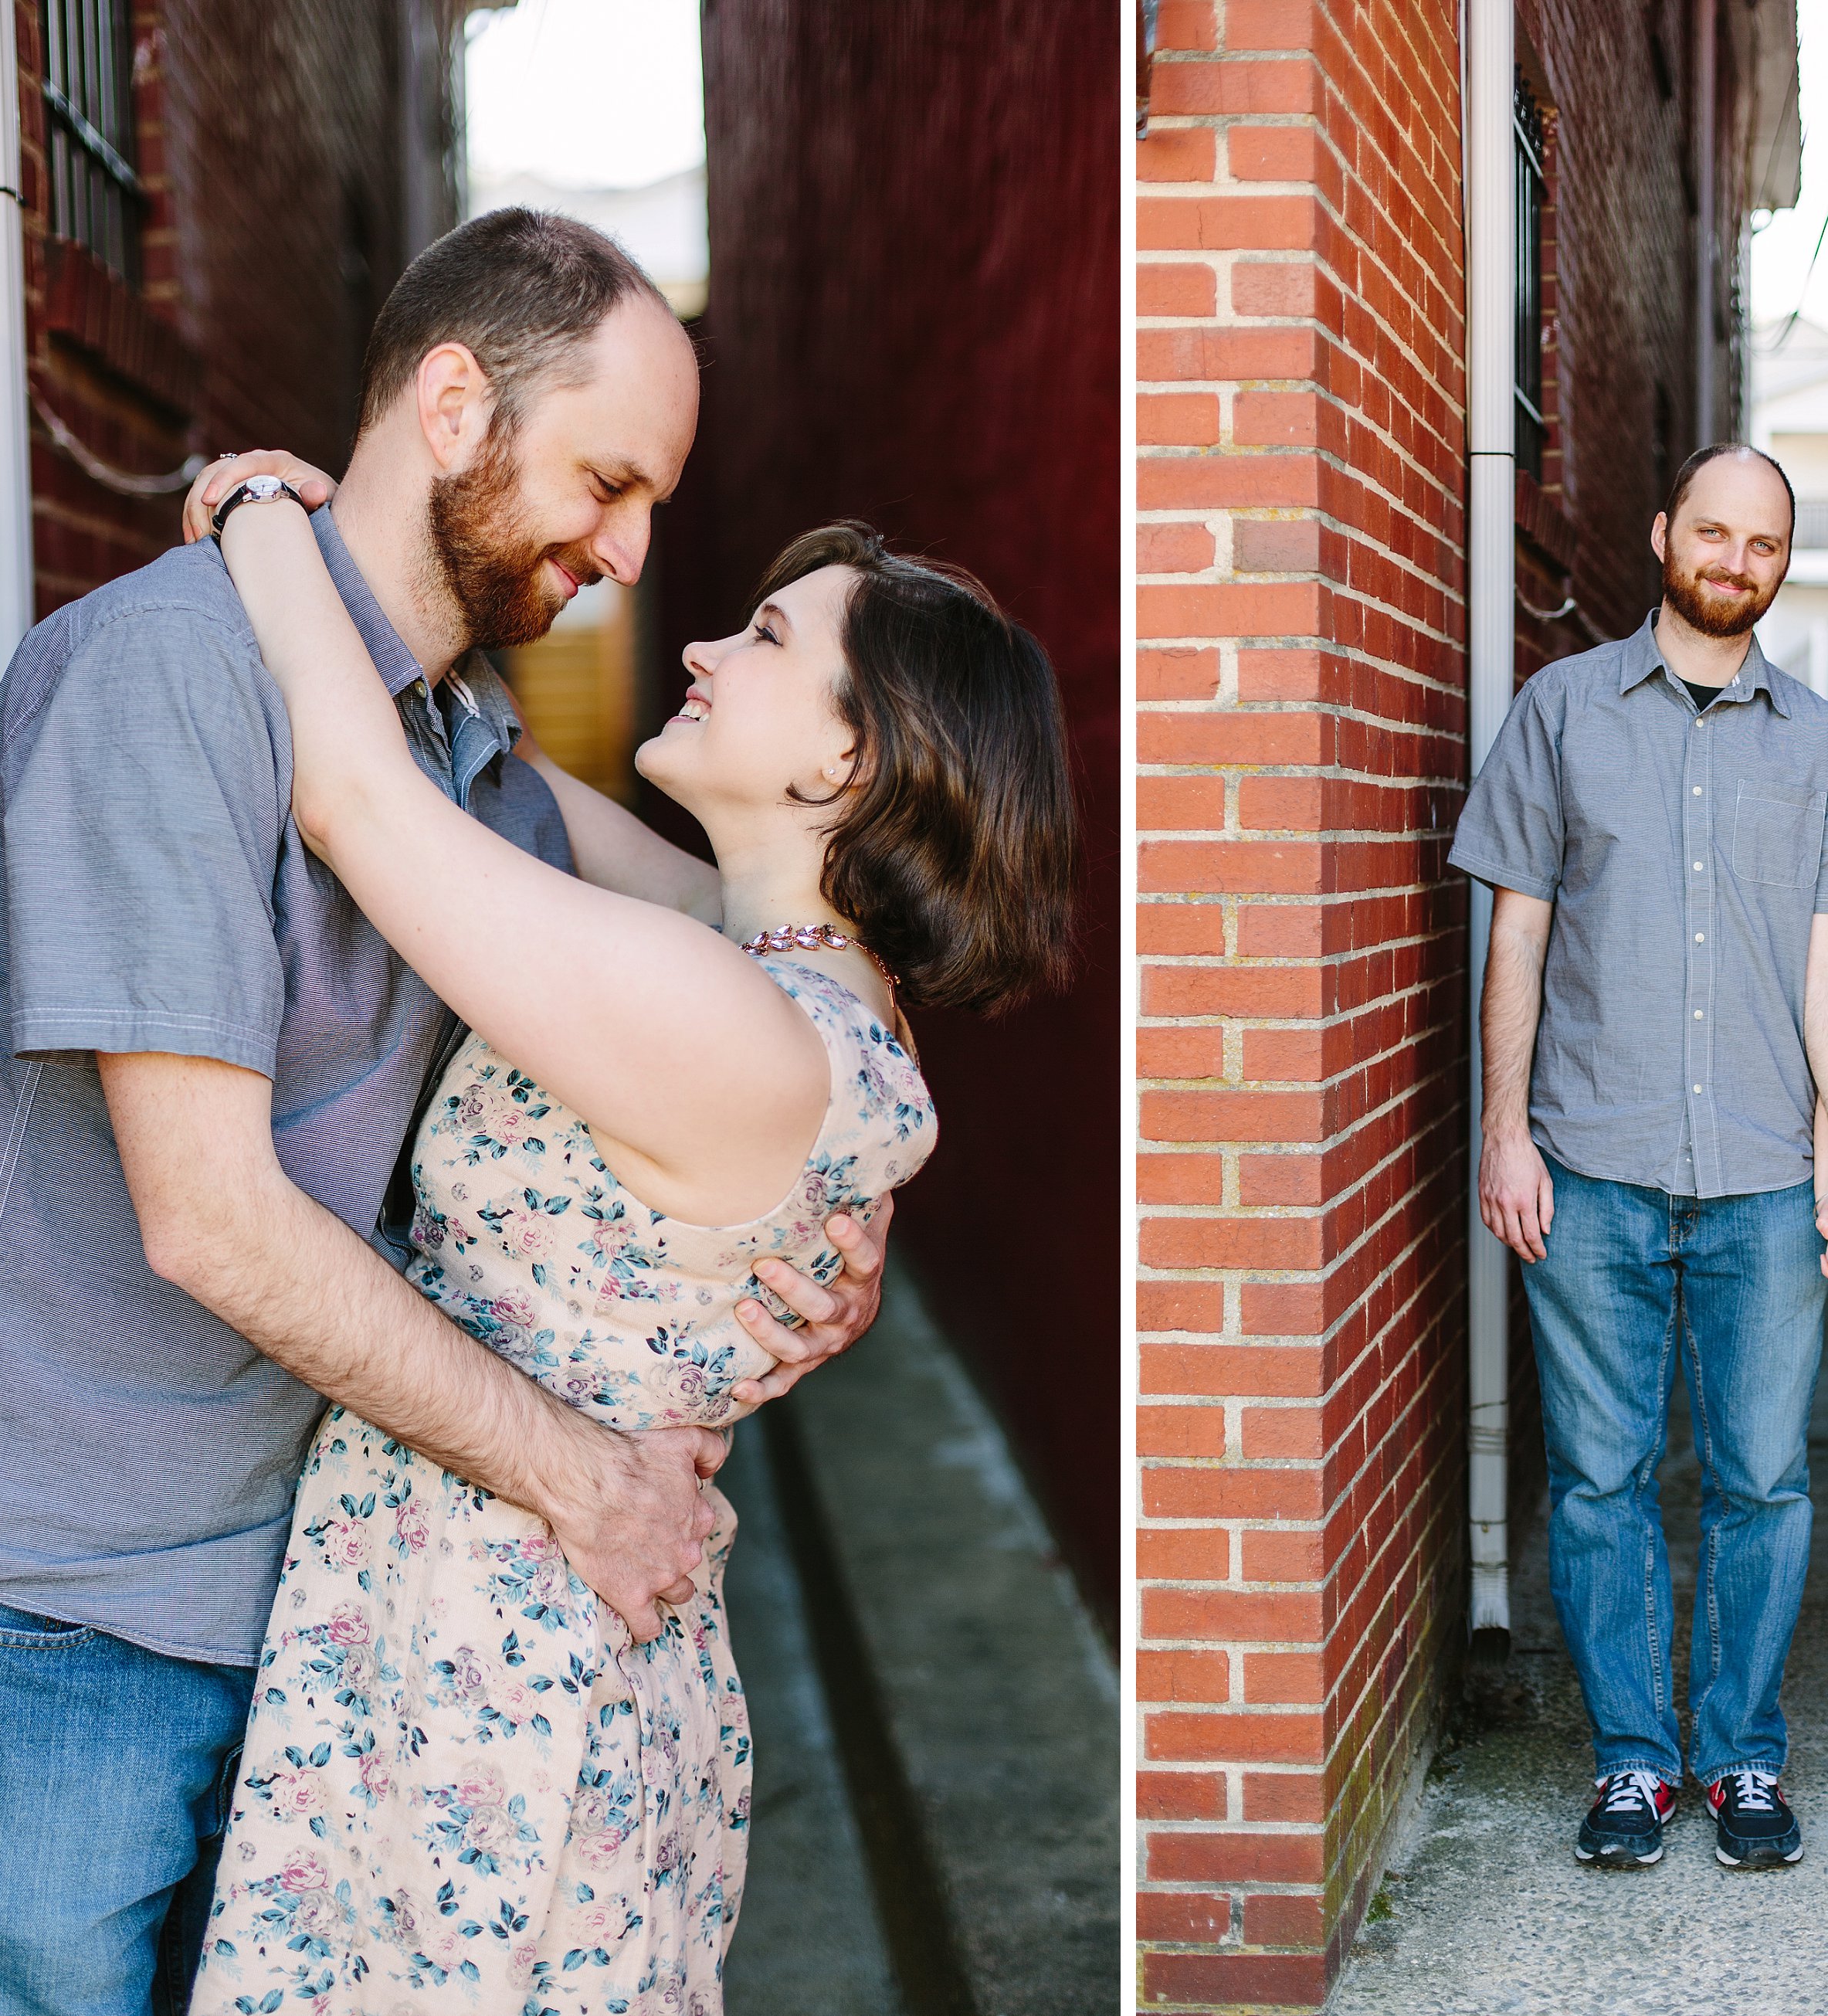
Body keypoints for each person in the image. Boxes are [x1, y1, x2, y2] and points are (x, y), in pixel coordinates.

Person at [0, 212, 896, 2016]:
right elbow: (206, 1216)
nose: (627, 555)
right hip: (56, 1592)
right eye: (609, 482)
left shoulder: (465, 764)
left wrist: (830, 1211)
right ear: (455, 404)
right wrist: (579, 1479)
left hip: (307, 1586)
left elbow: (769, 965)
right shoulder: (164, 678)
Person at [171, 456, 1072, 2005]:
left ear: (849, 760)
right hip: (498, 1612)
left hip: (499, 1652)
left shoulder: (726, 1016)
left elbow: (362, 800)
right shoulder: (772, 965)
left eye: (769, 641)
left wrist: (253, 515)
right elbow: (493, 769)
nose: (708, 649)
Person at [1455, 443, 1828, 1874]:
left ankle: (1743, 1757)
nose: (1736, 560)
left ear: (1781, 562)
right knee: (1601, 1475)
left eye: (1764, 542)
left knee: (1765, 1474)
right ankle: (1636, 1763)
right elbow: (1515, 935)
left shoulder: (1818, 744)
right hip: (1590, 1160)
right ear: (1663, 535)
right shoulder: (1561, 712)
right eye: (1714, 531)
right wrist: (1504, 1132)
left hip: (1766, 1166)